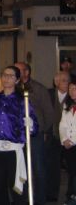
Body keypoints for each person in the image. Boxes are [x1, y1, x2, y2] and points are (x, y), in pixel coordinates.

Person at [0, 65, 38, 204]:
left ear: (17, 80)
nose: (7, 78)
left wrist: (30, 124)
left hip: (13, 151)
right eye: (4, 75)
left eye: (11, 76)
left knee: (17, 191)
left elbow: (34, 128)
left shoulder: (22, 101)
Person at [14, 61, 51, 204]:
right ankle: (23, 199)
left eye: (19, 70)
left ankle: (40, 200)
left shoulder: (38, 89)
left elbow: (48, 112)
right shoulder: (14, 89)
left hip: (35, 135)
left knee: (38, 169)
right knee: (21, 170)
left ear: (27, 72)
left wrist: (43, 130)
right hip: (18, 136)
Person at [47, 71, 69, 200]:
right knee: (52, 166)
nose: (67, 83)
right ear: (56, 82)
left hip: (69, 137)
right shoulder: (49, 94)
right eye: (64, 80)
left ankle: (70, 194)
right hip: (53, 136)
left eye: (68, 80)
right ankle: (52, 194)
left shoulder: (73, 95)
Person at [60, 80, 76, 203]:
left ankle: (72, 195)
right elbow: (62, 124)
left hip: (74, 142)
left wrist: (73, 140)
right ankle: (71, 195)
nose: (72, 91)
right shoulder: (67, 105)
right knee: (71, 171)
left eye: (75, 89)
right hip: (69, 145)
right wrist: (64, 139)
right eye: (70, 89)